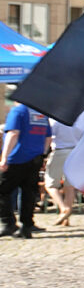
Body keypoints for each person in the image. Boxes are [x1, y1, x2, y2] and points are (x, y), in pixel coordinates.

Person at [0, 102, 52, 238]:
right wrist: (43, 154)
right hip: (35, 158)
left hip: (17, 157)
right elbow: (48, 137)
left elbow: (13, 134)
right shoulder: (41, 114)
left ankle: (8, 223)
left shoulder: (18, 112)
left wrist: (4, 158)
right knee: (29, 192)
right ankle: (26, 226)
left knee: (2, 190)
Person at [44, 120, 81, 227]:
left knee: (50, 184)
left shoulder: (54, 120)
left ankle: (63, 208)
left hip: (60, 151)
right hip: (75, 151)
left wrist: (44, 152)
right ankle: (66, 217)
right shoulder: (78, 120)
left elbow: (49, 136)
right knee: (70, 186)